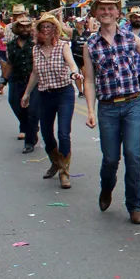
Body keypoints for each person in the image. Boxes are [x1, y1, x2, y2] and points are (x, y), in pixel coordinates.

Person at [83, 0, 140, 225]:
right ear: (96, 13)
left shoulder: (131, 38)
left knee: (132, 155)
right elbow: (89, 80)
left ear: (117, 12)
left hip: (133, 103)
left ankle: (134, 205)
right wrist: (90, 110)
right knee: (111, 158)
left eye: (111, 8)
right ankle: (107, 187)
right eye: (102, 8)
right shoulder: (91, 45)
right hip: (108, 107)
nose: (106, 12)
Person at [22, 13, 82, 189]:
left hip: (64, 93)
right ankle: (55, 162)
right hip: (45, 94)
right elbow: (35, 73)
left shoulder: (63, 46)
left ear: (55, 29)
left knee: (63, 132)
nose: (46, 30)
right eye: (43, 27)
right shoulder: (36, 49)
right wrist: (27, 94)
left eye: (49, 26)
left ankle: (64, 171)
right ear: (38, 30)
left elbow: (71, 63)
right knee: (47, 133)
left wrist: (74, 73)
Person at [5, 17, 38, 153]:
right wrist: (3, 80)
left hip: (33, 80)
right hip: (16, 79)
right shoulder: (11, 45)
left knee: (32, 111)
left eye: (27, 27)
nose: (25, 29)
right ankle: (29, 126)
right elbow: (9, 64)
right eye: (22, 27)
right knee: (15, 104)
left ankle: (29, 141)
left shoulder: (36, 43)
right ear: (17, 29)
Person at [69, 18, 90, 97]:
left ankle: (85, 90)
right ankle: (80, 91)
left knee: (85, 74)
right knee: (77, 74)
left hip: (84, 56)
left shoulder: (87, 33)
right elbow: (61, 28)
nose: (81, 24)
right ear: (76, 23)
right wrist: (60, 17)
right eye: (79, 22)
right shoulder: (73, 32)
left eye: (82, 22)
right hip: (75, 56)